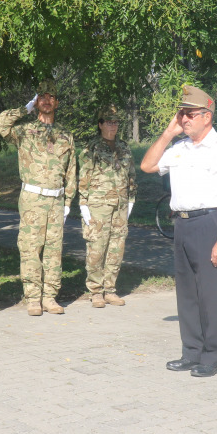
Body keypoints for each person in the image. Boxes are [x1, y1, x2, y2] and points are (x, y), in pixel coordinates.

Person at [141, 86, 217, 378]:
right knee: (186, 292)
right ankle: (191, 351)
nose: (183, 119)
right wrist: (168, 134)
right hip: (182, 223)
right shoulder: (179, 148)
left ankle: (212, 356)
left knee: (209, 292)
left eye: (189, 114)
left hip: (209, 222)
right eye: (181, 113)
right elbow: (147, 165)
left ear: (206, 116)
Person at [0, 79, 76, 316]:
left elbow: (71, 171)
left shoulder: (65, 135)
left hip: (56, 200)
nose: (47, 101)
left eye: (51, 97)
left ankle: (49, 296)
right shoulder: (24, 131)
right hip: (33, 198)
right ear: (37, 102)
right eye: (42, 97)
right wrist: (24, 109)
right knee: (30, 248)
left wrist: (68, 202)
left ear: (57, 103)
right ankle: (32, 297)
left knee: (53, 250)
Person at [78, 105, 137, 308]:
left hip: (120, 205)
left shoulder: (124, 147)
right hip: (98, 205)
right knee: (97, 248)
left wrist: (131, 200)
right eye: (109, 122)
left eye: (116, 122)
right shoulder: (91, 148)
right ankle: (95, 291)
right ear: (100, 124)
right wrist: (83, 204)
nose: (113, 126)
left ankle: (110, 289)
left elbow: (131, 175)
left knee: (116, 248)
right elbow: (83, 176)